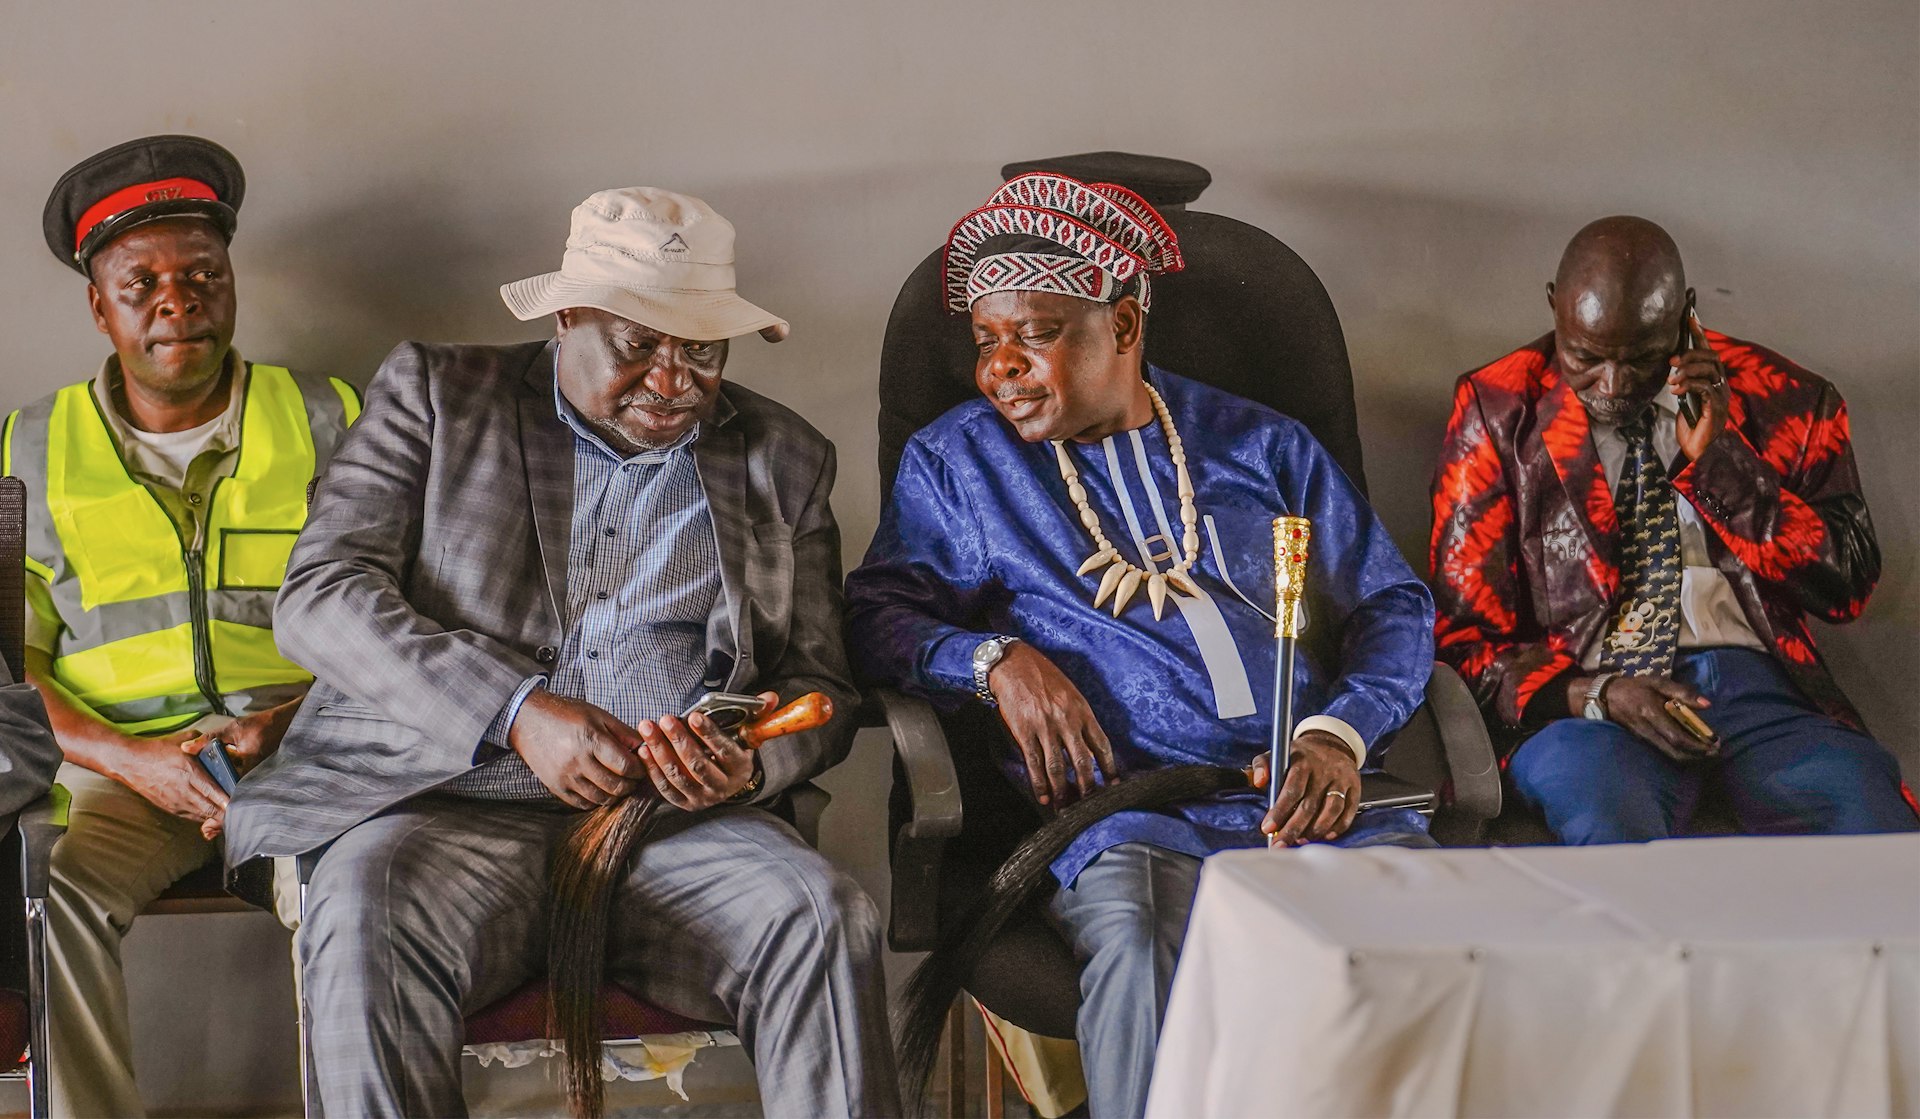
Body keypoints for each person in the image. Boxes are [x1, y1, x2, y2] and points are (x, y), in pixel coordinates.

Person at [224, 187, 898, 1116]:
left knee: (823, 915)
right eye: (639, 344)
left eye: (703, 350)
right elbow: (322, 596)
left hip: (671, 828)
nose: (674, 380)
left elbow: (821, 684)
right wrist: (516, 712)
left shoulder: (783, 456)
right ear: (568, 317)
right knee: (362, 907)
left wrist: (747, 765)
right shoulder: (440, 396)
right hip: (441, 812)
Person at [845, 172, 1436, 1119]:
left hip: (1305, 800)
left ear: (1122, 325)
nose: (1002, 369)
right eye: (987, 341)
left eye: (1035, 334)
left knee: (1435, 946)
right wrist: (994, 662)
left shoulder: (1262, 445)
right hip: (1130, 817)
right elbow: (877, 617)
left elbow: (1391, 604)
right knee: (1137, 941)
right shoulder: (962, 464)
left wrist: (1340, 733)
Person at [6, 134, 358, 1116]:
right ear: (100, 306)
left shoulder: (328, 415)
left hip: (307, 751)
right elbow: (8, 663)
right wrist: (134, 760)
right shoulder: (30, 444)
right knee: (45, 891)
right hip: (120, 770)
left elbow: (398, 618)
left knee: (362, 890)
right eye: (144, 282)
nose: (178, 301)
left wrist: (286, 724)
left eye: (204, 275)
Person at [1429, 215, 1917, 844]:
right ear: (1555, 307)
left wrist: (1720, 462)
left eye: (1641, 359)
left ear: (1685, 316)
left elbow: (1846, 589)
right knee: (1607, 817)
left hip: (1758, 695)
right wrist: (1597, 694)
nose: (1612, 386)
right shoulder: (1499, 408)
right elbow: (1461, 638)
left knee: (1873, 826)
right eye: (1586, 358)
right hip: (1590, 706)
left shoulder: (1787, 398)